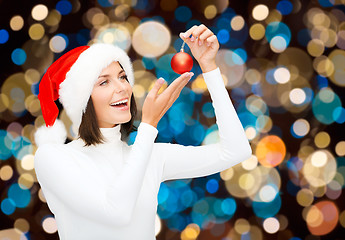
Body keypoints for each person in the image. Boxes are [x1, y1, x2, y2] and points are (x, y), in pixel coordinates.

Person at [33, 24, 252, 240]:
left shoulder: (149, 156)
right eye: (104, 82)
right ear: (81, 100)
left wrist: (209, 68)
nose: (121, 87)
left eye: (122, 76)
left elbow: (236, 150)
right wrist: (148, 127)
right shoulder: (54, 157)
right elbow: (116, 213)